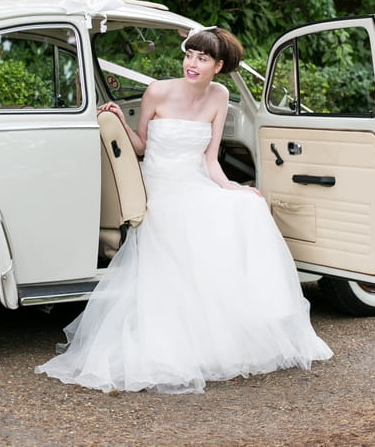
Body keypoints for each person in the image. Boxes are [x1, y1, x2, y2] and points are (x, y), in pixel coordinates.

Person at [35, 26, 332, 394]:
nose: (192, 63)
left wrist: (232, 187)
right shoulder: (158, 90)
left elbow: (211, 159)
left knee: (247, 208)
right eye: (189, 54)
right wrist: (119, 123)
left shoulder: (220, 96)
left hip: (196, 181)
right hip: (162, 186)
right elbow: (142, 147)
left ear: (218, 65)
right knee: (191, 224)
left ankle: (248, 327)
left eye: (202, 58)